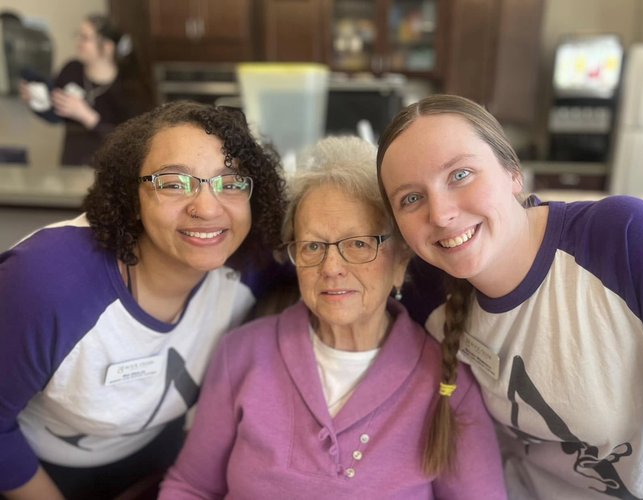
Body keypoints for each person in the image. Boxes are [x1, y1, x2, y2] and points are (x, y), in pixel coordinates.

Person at [376, 94, 643, 499]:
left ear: (513, 173)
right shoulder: (425, 292)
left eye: (460, 175)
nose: (440, 214)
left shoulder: (626, 241)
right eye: (411, 198)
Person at [159, 136, 507, 499]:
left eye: (358, 244)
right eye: (312, 246)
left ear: (400, 261)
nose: (331, 268)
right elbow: (191, 487)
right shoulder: (242, 353)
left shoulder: (448, 381)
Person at [0, 101, 286, 499]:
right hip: (33, 472)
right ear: (131, 197)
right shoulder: (48, 282)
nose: (207, 207)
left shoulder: (252, 266)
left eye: (230, 182)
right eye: (173, 182)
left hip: (158, 461)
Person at [19, 13, 150, 166]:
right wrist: (37, 101)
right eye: (78, 36)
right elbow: (55, 114)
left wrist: (88, 117)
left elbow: (132, 141)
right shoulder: (71, 70)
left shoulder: (129, 86)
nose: (78, 42)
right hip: (71, 163)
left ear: (107, 47)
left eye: (85, 38)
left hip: (110, 170)